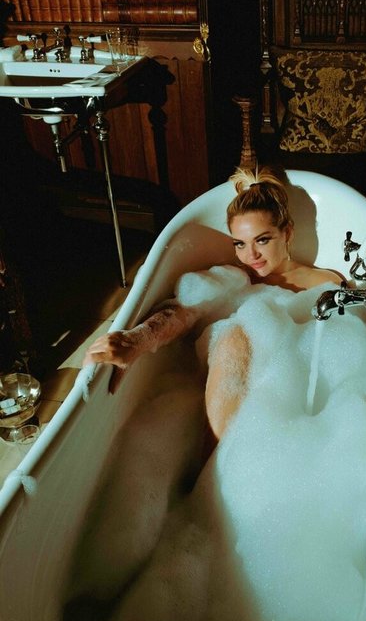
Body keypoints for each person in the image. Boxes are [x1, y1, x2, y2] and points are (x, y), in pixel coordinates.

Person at [83, 166, 343, 439]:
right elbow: (180, 312)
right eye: (239, 244)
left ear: (287, 233)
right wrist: (137, 339)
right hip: (236, 402)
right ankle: (221, 456)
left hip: (297, 393)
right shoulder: (234, 280)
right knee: (233, 338)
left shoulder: (327, 283)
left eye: (262, 240)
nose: (251, 255)